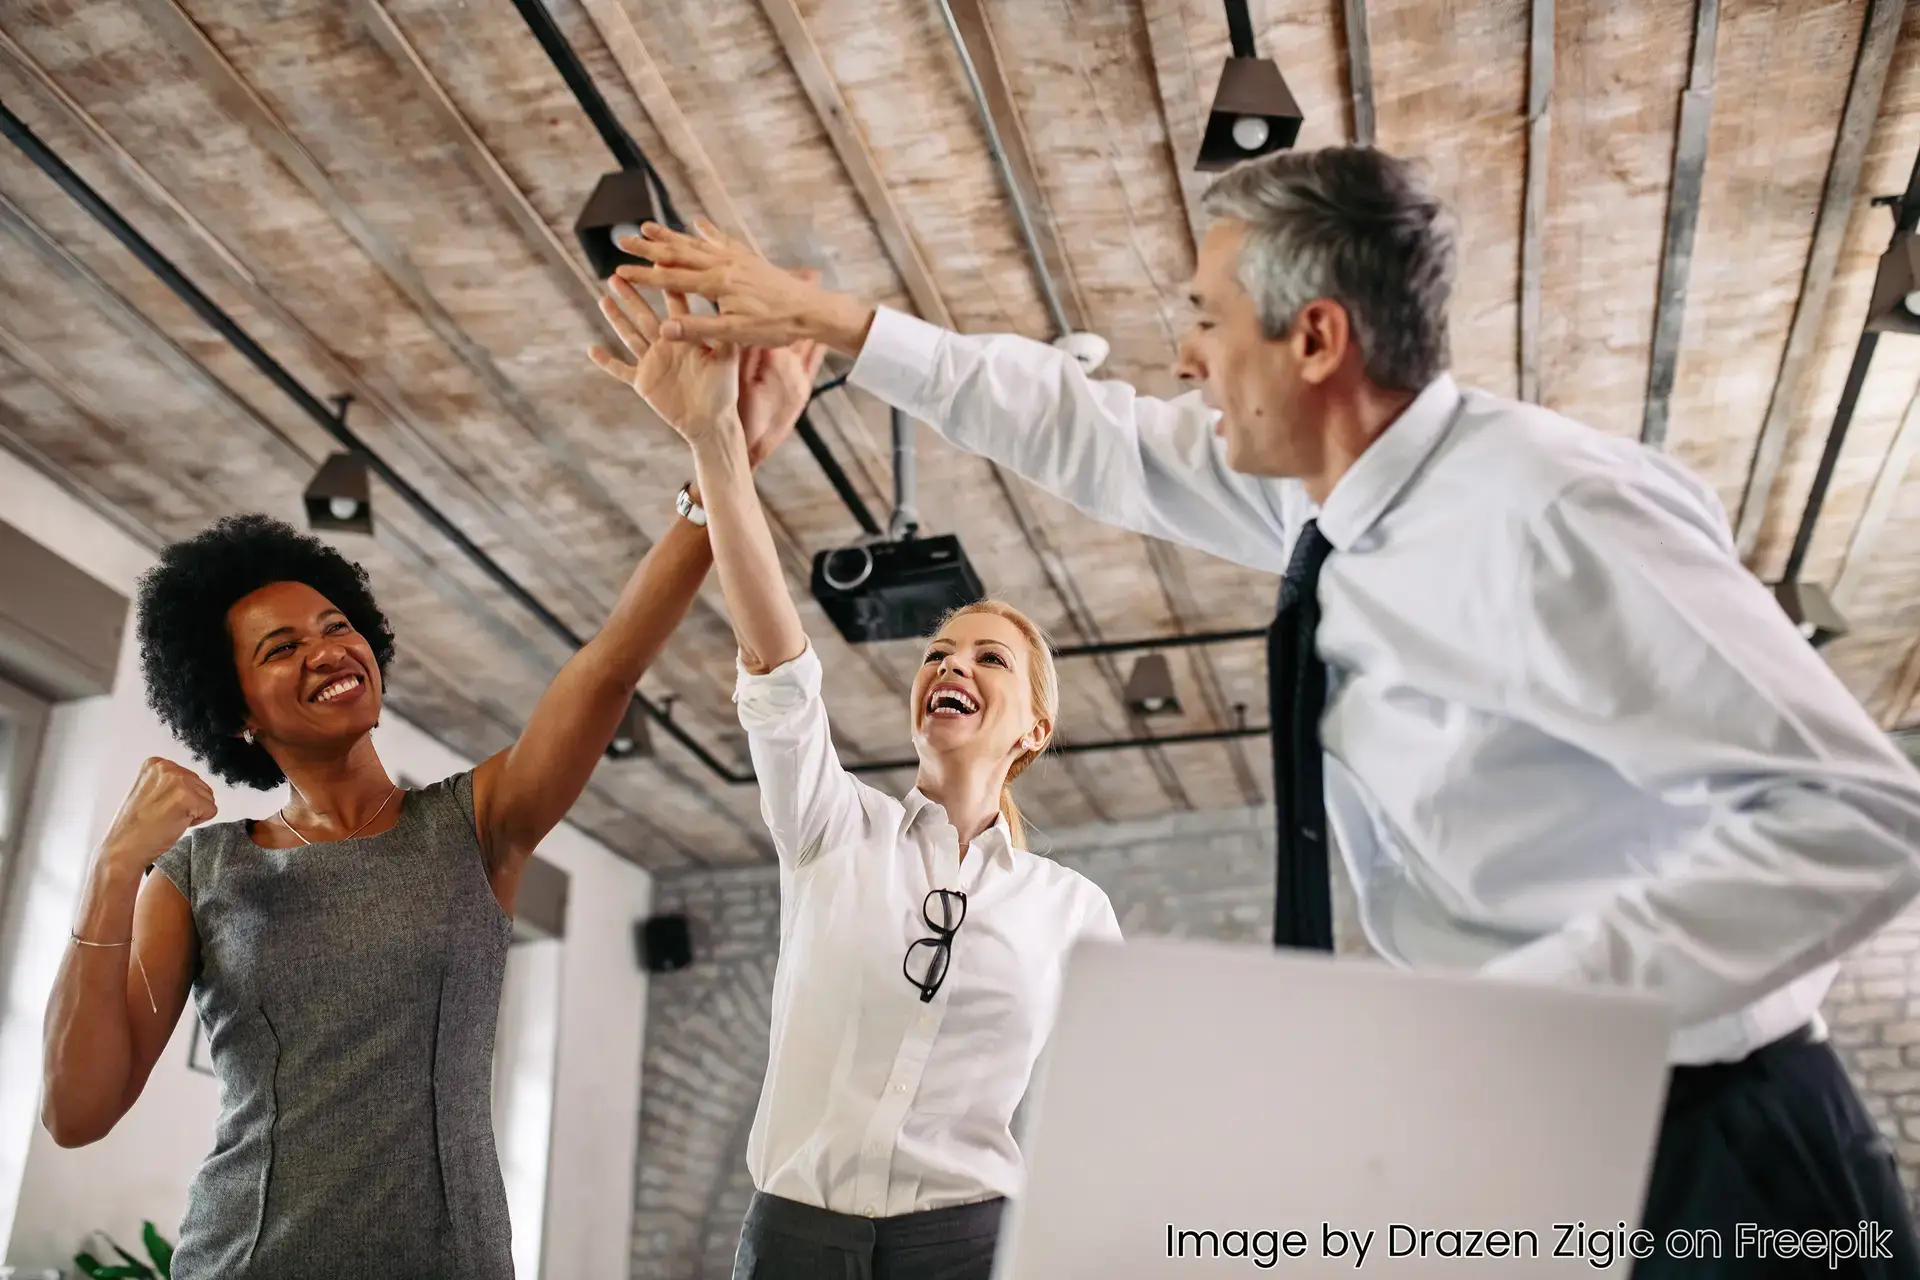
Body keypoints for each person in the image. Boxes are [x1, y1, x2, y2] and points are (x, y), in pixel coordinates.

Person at [614, 147, 1920, 1278]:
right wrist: (834, 322)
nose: (1182, 358)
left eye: (1206, 320)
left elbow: (1860, 813)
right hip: (1544, 1142)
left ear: (1314, 340)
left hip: (1712, 1146)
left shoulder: (1551, 506)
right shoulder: (1327, 504)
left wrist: (1519, 1025)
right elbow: (1085, 430)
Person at [38, 287, 819, 1280]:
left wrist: (721, 462)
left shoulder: (476, 823)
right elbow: (77, 1110)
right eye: (282, 647)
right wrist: (114, 866)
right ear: (236, 711)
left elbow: (610, 663)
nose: (328, 649)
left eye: (336, 624)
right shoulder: (202, 871)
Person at [589, 271, 1121, 1279]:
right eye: (936, 653)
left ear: (1035, 729)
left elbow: (1099, 1119)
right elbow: (779, 665)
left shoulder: (1075, 911)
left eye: (986, 658)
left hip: (972, 1243)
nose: (949, 664)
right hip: (794, 1238)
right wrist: (715, 444)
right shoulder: (835, 828)